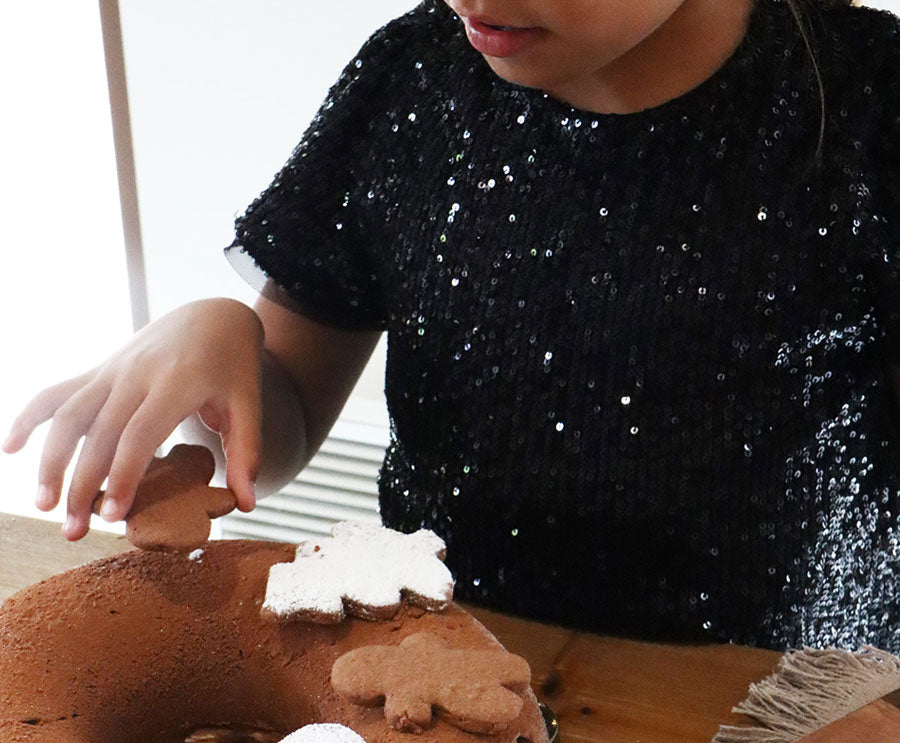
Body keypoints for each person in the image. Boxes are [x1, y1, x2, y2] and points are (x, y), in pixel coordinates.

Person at [4, 0, 899, 651]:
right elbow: (280, 424)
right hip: (451, 687)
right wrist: (219, 339)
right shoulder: (411, 79)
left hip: (787, 736)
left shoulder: (868, 104)